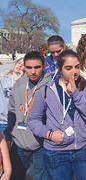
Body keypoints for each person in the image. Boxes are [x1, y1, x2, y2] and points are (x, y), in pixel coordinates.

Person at [27, 49, 86, 180]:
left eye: (77, 67)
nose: (74, 71)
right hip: (56, 152)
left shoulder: (85, 87)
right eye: (69, 68)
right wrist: (49, 134)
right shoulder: (46, 89)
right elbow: (33, 120)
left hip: (83, 148)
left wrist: (76, 94)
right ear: (60, 69)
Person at [4, 51, 51, 180]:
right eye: (29, 67)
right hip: (19, 142)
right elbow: (12, 110)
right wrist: (8, 135)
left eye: (37, 67)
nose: (33, 71)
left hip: (40, 145)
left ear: (44, 66)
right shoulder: (19, 84)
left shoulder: (51, 85)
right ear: (24, 66)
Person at [0, 59, 24, 133]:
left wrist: (19, 80)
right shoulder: (3, 79)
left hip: (18, 123)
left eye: (23, 65)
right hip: (3, 122)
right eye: (19, 63)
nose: (20, 65)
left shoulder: (25, 82)